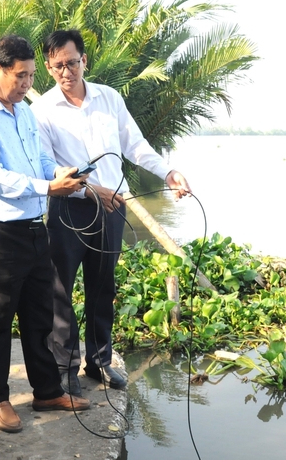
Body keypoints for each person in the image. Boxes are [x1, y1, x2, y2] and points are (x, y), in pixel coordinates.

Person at [31, 29, 191, 395]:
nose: (66, 72)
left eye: (72, 63)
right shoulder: (41, 111)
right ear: (48, 68)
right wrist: (88, 189)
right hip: (69, 210)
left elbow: (135, 144)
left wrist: (168, 172)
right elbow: (45, 166)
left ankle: (99, 362)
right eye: (58, 67)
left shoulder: (109, 98)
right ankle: (66, 368)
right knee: (61, 291)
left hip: (113, 209)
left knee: (102, 288)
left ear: (85, 60)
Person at [0, 35, 91, 433]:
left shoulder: (24, 110)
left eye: (32, 75)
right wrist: (48, 188)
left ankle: (46, 390)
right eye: (22, 76)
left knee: (39, 314)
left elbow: (40, 158)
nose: (29, 83)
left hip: (34, 227)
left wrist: (59, 174)